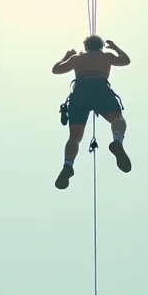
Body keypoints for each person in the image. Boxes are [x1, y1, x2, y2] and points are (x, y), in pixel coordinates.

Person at [52, 35, 131, 189]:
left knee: (74, 137)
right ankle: (117, 142)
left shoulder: (76, 58)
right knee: (117, 119)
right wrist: (115, 48)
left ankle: (68, 165)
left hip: (80, 91)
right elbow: (126, 60)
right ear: (100, 46)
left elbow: (56, 70)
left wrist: (67, 56)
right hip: (99, 86)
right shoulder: (106, 56)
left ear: (86, 46)